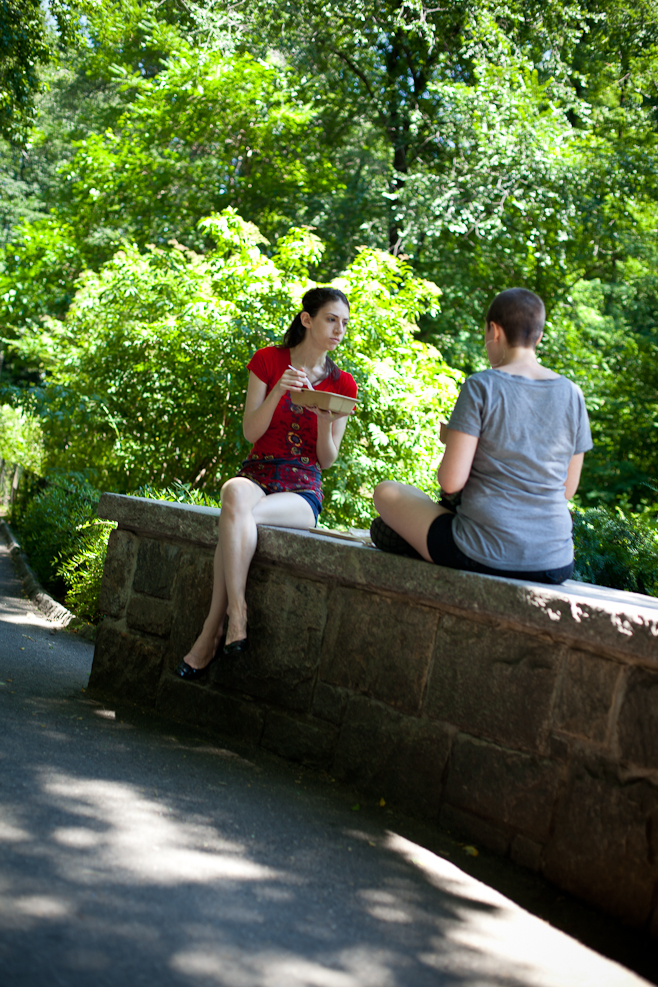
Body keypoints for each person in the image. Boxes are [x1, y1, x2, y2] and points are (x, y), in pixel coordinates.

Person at [175, 286, 357, 680]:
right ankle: (237, 610)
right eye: (331, 319)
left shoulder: (343, 385)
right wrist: (278, 391)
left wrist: (323, 422)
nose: (339, 329)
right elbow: (250, 432)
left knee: (235, 520)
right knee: (232, 492)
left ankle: (213, 629)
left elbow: (327, 460)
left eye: (344, 323)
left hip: (302, 489)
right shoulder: (268, 361)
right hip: (259, 472)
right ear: (307, 319)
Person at [371, 287, 592, 584]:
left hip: (477, 550)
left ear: (495, 331)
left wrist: (458, 445)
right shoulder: (572, 394)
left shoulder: (482, 385)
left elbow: (450, 482)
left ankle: (417, 540)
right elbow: (567, 489)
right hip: (554, 562)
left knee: (385, 492)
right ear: (538, 337)